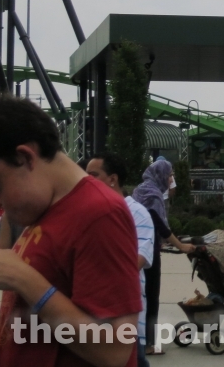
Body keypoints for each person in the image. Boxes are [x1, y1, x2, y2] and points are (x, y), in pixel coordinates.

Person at [0, 94, 142, 367]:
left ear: (25, 157)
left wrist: (25, 279)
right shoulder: (44, 211)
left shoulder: (99, 213)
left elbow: (114, 350)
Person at [86, 154, 156, 367]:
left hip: (124, 311)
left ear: (112, 179)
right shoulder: (88, 213)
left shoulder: (137, 214)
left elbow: (137, 260)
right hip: (92, 310)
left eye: (93, 175)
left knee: (134, 360)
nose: (86, 180)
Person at [133, 159, 196, 355]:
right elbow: (160, 227)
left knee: (140, 295)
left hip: (135, 247)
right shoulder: (153, 196)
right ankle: (149, 344)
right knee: (151, 296)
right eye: (170, 175)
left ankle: (137, 340)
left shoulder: (139, 191)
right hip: (148, 251)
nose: (171, 179)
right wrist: (182, 246)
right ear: (161, 175)